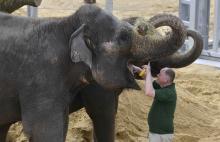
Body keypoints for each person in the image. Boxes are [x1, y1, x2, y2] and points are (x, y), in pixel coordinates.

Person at [133, 63, 176, 142]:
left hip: (161, 134)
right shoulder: (162, 86)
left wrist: (149, 71)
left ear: (166, 80)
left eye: (160, 74)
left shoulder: (169, 92)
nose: (157, 75)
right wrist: (139, 71)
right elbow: (150, 81)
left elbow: (148, 92)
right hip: (157, 132)